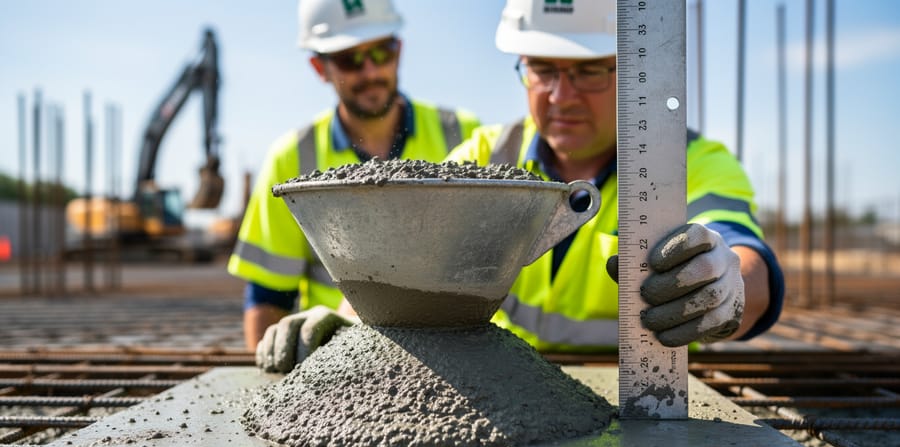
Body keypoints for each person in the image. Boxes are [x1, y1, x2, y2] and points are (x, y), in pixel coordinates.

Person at [444, 0, 784, 353]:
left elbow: (745, 261)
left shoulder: (689, 162)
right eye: (543, 69)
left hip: (642, 385)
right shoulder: (488, 154)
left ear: (636, 72)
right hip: (500, 377)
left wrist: (726, 287)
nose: (562, 96)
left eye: (589, 71)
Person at [228, 0, 481, 352]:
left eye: (381, 52)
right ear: (320, 67)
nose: (370, 72)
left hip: (461, 351)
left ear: (399, 50)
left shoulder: (464, 136)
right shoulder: (292, 159)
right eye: (350, 59)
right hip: (336, 358)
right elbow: (268, 296)